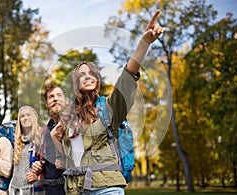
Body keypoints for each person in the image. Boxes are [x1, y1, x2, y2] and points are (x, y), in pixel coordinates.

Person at [50, 10, 166, 195]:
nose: (87, 77)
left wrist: (144, 43)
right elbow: (64, 157)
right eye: (82, 75)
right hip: (75, 189)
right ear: (76, 83)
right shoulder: (69, 116)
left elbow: (126, 79)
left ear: (97, 79)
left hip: (106, 188)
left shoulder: (109, 108)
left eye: (91, 74)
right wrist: (56, 138)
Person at [31, 83, 66, 195]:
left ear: (65, 100)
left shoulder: (74, 124)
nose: (55, 99)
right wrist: (39, 166)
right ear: (46, 104)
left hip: (72, 189)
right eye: (51, 97)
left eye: (59, 95)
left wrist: (67, 164)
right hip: (50, 190)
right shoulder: (45, 132)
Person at [9, 105, 44, 194]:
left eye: (28, 115)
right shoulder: (17, 142)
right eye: (22, 116)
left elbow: (50, 167)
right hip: (15, 189)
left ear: (34, 118)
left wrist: (38, 177)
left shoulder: (42, 137)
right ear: (19, 121)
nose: (25, 118)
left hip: (33, 189)